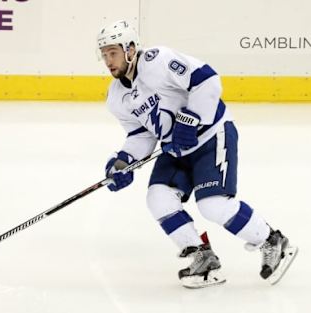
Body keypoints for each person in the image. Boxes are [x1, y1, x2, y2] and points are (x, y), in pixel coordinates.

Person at [97, 20, 298, 288]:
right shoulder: (116, 97)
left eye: (113, 52)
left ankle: (273, 241)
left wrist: (191, 119)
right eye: (104, 55)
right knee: (158, 198)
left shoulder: (158, 61)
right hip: (176, 148)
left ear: (131, 49)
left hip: (212, 134)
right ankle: (203, 258)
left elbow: (207, 80)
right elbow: (140, 135)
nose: (108, 60)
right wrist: (122, 162)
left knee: (213, 205)